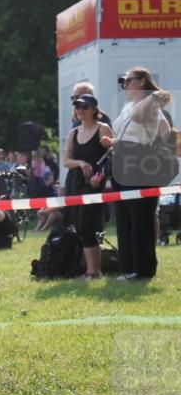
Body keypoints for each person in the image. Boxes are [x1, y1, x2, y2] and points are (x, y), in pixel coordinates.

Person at [109, 66, 173, 280]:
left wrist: (152, 96)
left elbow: (160, 130)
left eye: (128, 80)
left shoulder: (150, 104)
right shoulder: (127, 105)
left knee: (140, 220)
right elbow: (121, 130)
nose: (125, 85)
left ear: (143, 80)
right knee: (124, 219)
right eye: (123, 81)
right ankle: (127, 267)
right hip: (120, 159)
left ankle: (143, 270)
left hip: (139, 161)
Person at [63, 94, 114, 278]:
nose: (80, 111)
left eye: (84, 107)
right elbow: (66, 161)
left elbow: (111, 156)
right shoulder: (73, 133)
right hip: (76, 183)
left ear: (94, 109)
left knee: (86, 225)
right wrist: (80, 163)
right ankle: (89, 269)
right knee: (79, 226)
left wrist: (100, 176)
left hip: (93, 184)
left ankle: (94, 271)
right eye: (77, 108)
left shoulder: (103, 128)